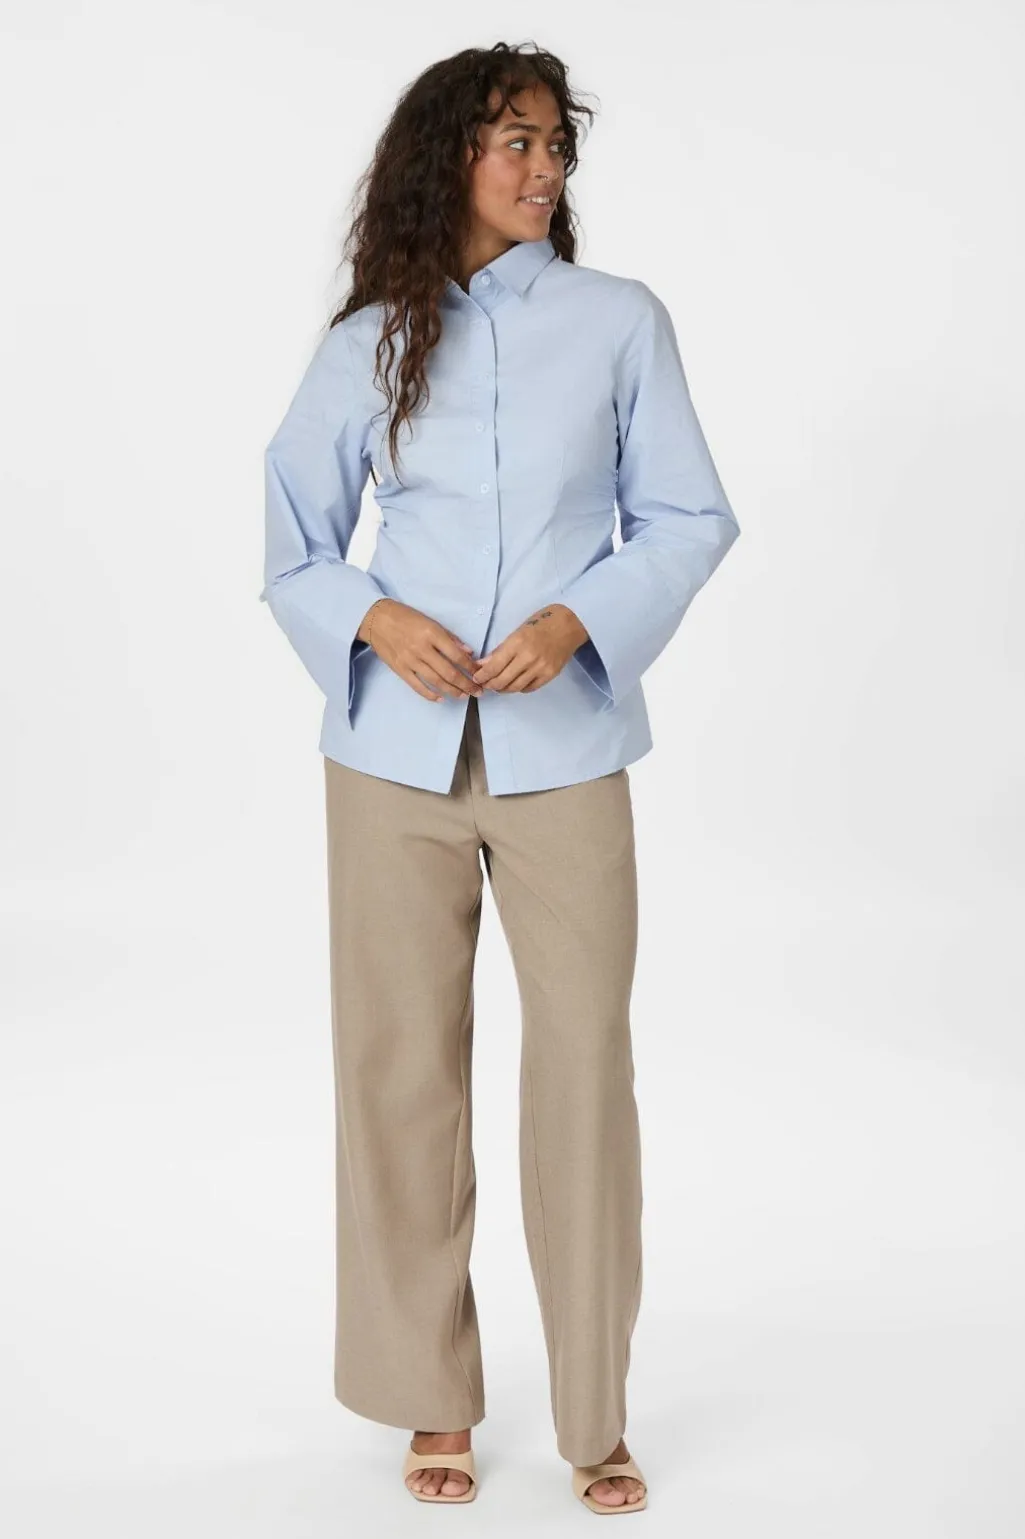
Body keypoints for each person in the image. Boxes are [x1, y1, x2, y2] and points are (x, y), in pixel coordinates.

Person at [260, 41, 740, 1515]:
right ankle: (430, 1396)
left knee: (585, 1067)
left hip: (567, 752)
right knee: (400, 1072)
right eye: (514, 141)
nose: (544, 167)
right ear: (446, 158)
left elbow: (689, 514)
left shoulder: (618, 322)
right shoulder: (369, 341)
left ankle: (595, 1412)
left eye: (554, 144)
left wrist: (577, 620)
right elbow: (294, 540)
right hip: (389, 759)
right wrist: (373, 620)